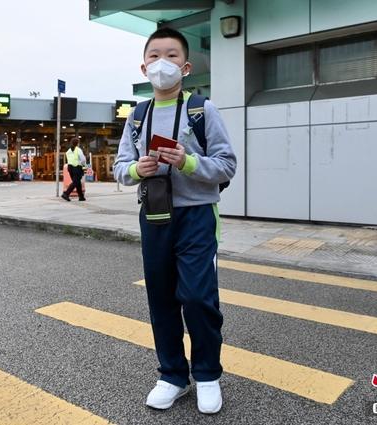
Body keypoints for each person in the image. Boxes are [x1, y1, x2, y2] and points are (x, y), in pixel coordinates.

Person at [114, 28, 236, 414]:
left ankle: (206, 375)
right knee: (161, 299)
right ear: (143, 66)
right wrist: (137, 168)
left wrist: (187, 161)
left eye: (170, 56)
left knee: (199, 298)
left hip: (197, 216)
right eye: (154, 56)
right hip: (154, 216)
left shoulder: (203, 110)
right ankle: (172, 375)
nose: (161, 63)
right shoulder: (137, 116)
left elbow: (227, 163)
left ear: (185, 67)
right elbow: (119, 168)